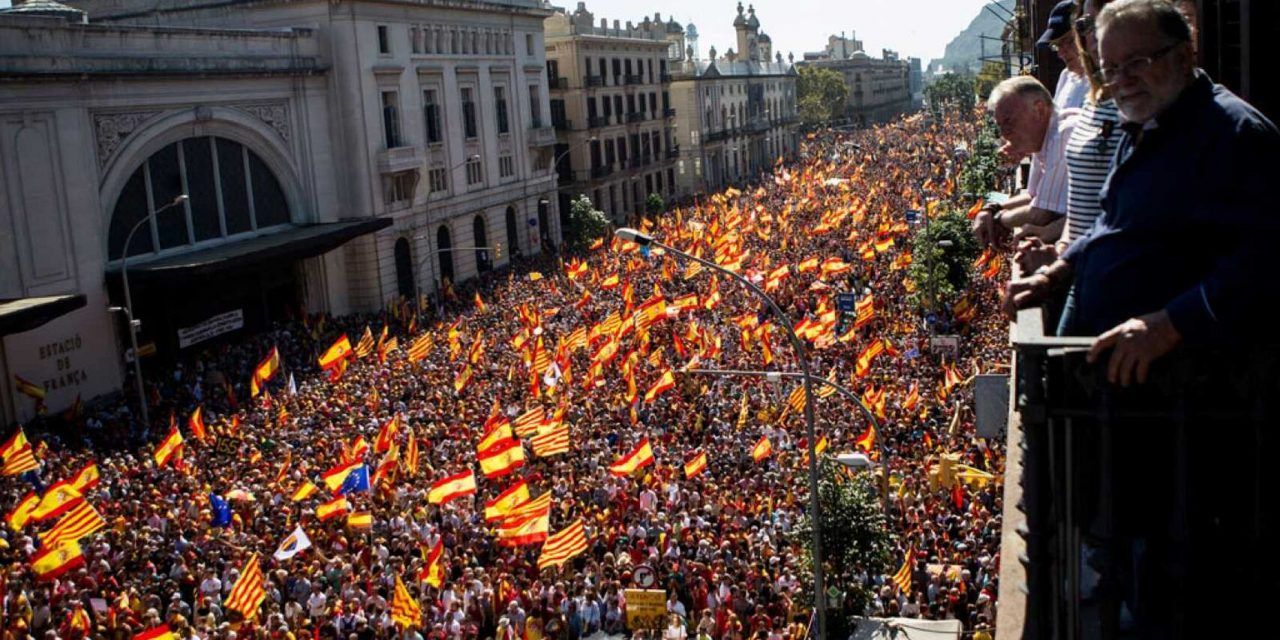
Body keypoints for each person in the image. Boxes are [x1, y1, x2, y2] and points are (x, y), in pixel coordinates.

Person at [1007, 0, 1280, 385]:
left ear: (1184, 56)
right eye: (1111, 68)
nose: (1123, 80)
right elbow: (1110, 223)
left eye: (1138, 62)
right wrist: (1053, 274)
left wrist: (1170, 324)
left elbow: (1266, 258)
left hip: (1176, 394)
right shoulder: (1141, 123)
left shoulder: (1235, 133)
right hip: (1104, 377)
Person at [973, 76, 1079, 247]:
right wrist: (991, 209)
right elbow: (1032, 196)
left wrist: (998, 220)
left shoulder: (1063, 134)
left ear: (1039, 109)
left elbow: (1043, 213)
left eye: (1009, 121)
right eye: (1000, 126)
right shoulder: (1042, 137)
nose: (1004, 134)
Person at [1039, 0, 1090, 110]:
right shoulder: (1066, 76)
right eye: (1056, 45)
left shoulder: (1103, 81)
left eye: (1068, 41)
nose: (1061, 53)